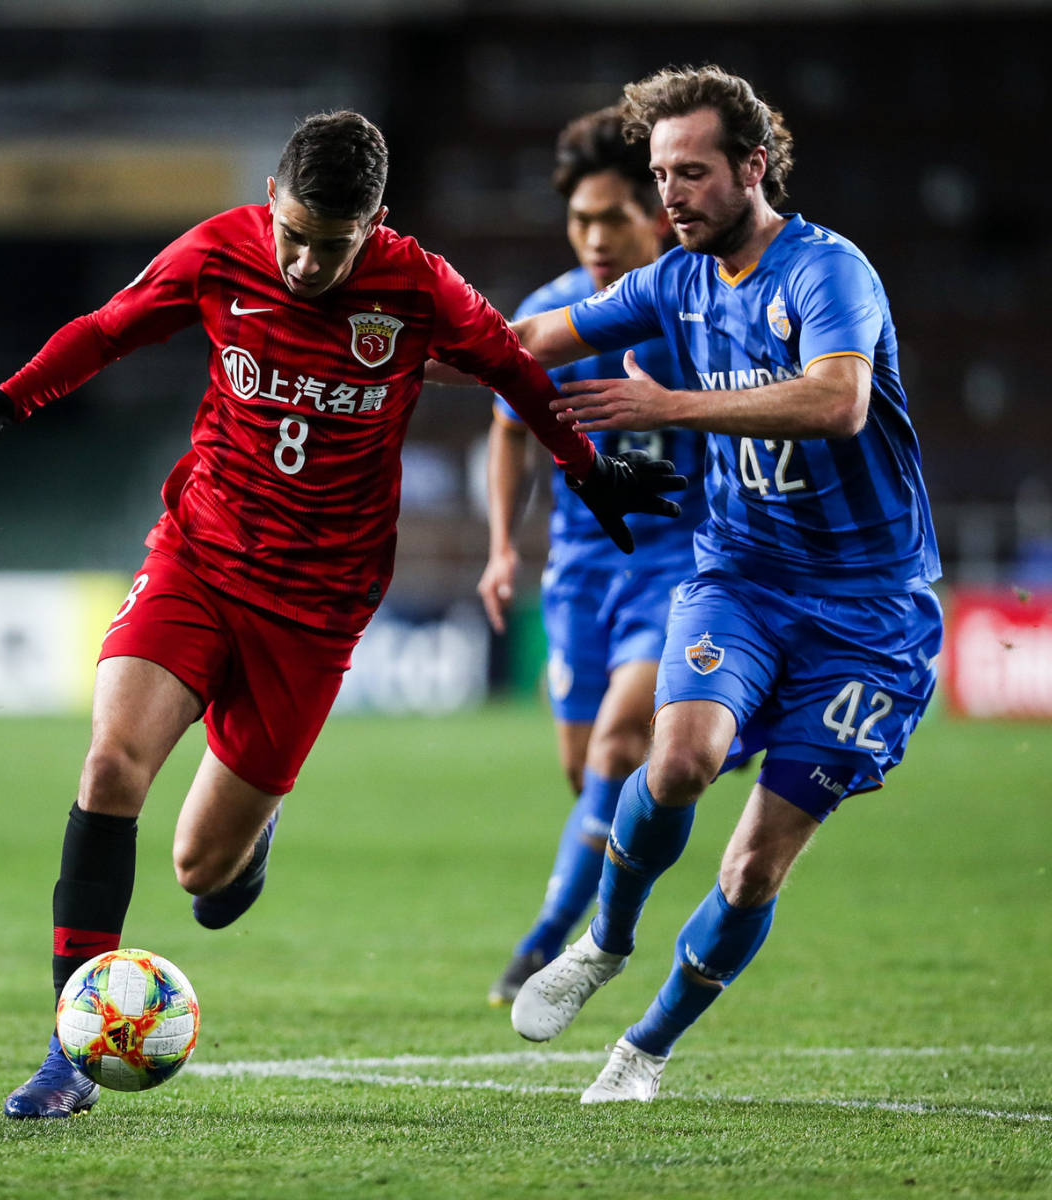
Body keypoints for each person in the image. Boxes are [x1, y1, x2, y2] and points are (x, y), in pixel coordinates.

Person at [0, 110, 685, 1119]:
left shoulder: (419, 287)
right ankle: (68, 1051)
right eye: (293, 235)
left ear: (376, 224)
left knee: (204, 873)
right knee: (110, 768)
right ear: (271, 200)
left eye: (334, 244)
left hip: (316, 607)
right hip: (198, 553)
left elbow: (512, 367)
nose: (307, 263)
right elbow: (105, 330)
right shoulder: (217, 250)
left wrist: (586, 471)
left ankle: (250, 836)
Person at [504, 66, 943, 1103]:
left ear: (754, 166)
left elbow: (837, 403)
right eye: (661, 175)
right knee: (680, 757)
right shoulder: (674, 280)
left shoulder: (827, 272)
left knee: (752, 869)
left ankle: (644, 1049)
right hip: (739, 577)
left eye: (692, 173)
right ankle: (603, 943)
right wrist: (382, 348)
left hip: (869, 613)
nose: (672, 196)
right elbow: (526, 344)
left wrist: (671, 404)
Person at [476, 109, 708, 1007]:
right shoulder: (555, 315)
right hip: (579, 572)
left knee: (618, 739)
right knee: (589, 774)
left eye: (614, 217)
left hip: (678, 566)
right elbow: (508, 431)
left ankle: (545, 945)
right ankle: (624, 869)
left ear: (656, 214)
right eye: (582, 220)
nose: (596, 238)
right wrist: (502, 545)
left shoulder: (696, 309)